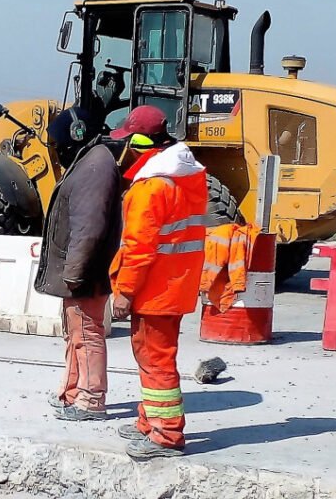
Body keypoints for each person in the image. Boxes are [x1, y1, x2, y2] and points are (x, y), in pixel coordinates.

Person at [109, 105, 208, 459]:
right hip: (173, 286)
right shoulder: (186, 179)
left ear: (139, 143)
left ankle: (166, 434)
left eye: (130, 142)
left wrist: (125, 292)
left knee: (156, 361)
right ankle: (148, 421)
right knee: (152, 357)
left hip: (154, 290)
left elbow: (138, 248)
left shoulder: (150, 188)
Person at [34, 106, 121, 422]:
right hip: (82, 271)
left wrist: (74, 272)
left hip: (87, 273)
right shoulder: (90, 161)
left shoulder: (95, 166)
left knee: (87, 334)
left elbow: (88, 228)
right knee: (76, 335)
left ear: (75, 135)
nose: (58, 152)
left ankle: (91, 399)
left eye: (59, 145)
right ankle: (71, 392)